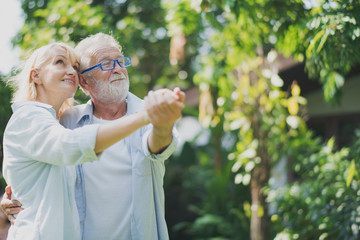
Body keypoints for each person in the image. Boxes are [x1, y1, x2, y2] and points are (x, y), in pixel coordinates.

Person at [2, 33, 185, 240]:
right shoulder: (63, 122)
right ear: (85, 82)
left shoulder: (150, 111)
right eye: (106, 64)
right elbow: (66, 147)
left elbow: (160, 147)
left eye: (120, 61)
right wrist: (16, 198)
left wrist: (161, 121)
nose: (117, 68)